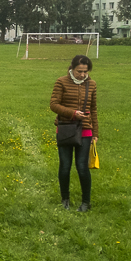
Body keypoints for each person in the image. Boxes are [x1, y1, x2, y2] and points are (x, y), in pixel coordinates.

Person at [50, 54, 99, 212]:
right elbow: (54, 105)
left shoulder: (91, 84)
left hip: (85, 130)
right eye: (79, 71)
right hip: (66, 128)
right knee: (65, 166)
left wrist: (95, 133)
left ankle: (86, 202)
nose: (83, 74)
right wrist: (72, 113)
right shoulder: (61, 82)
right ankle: (65, 199)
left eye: (85, 71)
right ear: (71, 68)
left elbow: (93, 110)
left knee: (82, 166)